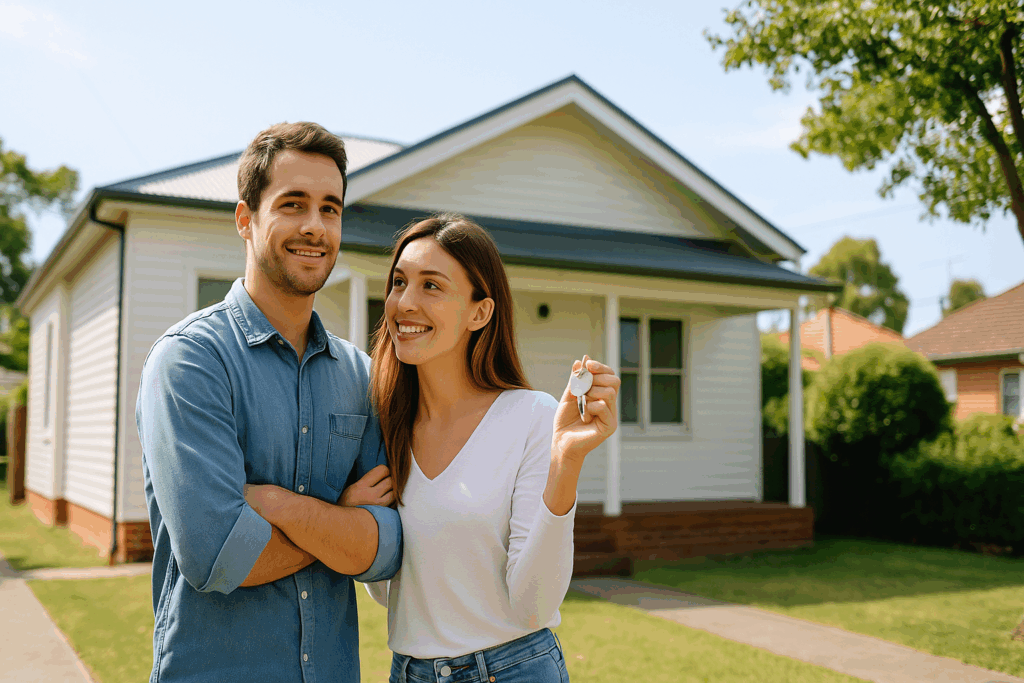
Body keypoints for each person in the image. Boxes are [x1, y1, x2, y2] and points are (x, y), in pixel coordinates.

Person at [136, 121, 402, 683]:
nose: (315, 226)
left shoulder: (359, 375)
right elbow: (219, 558)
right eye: (293, 204)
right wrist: (341, 520)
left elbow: (386, 549)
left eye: (331, 208)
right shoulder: (190, 362)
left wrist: (278, 507)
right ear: (245, 219)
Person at [363, 213, 619, 682]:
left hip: (511, 669)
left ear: (479, 313)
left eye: (432, 286)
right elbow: (387, 593)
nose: (405, 303)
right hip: (408, 671)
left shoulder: (531, 418)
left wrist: (566, 463)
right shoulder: (383, 424)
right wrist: (356, 520)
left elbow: (533, 605)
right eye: (399, 282)